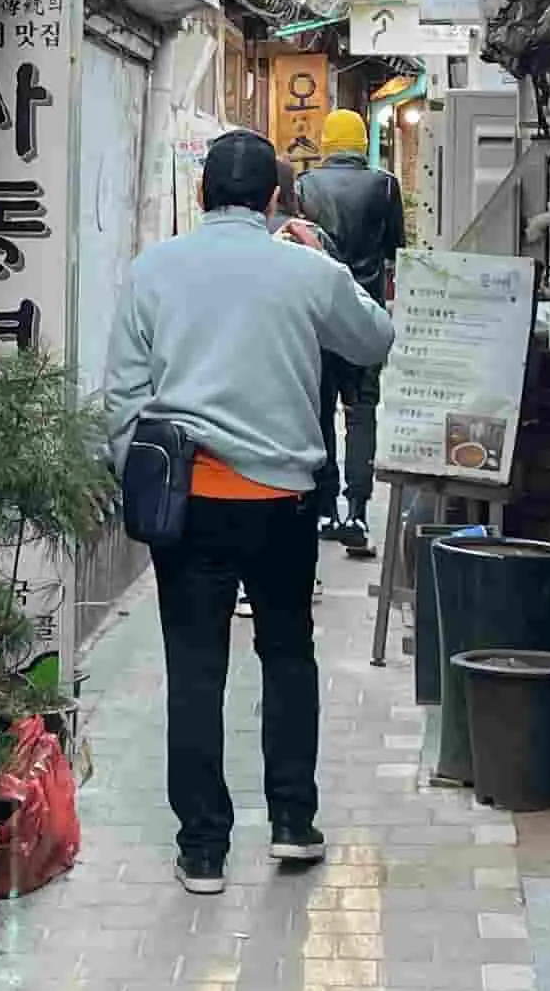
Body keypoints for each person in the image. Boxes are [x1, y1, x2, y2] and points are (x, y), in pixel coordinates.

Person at [105, 127, 395, 893]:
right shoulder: (303, 270)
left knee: (195, 672)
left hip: (189, 503)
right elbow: (374, 341)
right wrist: (328, 261)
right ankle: (293, 824)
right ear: (275, 198)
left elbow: (124, 397)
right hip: (284, 503)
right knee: (288, 656)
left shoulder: (153, 270)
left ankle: (203, 849)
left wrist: (136, 472)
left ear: (201, 193)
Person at [284, 107, 402, 556]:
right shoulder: (385, 184)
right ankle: (357, 509)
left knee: (321, 407)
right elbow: (396, 248)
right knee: (361, 409)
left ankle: (325, 506)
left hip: (319, 313)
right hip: (365, 308)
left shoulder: (304, 185)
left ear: (328, 143)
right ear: (361, 144)